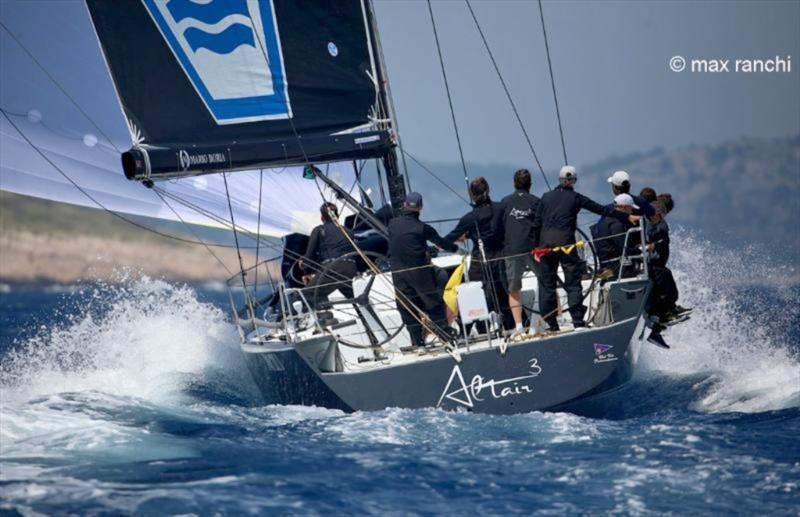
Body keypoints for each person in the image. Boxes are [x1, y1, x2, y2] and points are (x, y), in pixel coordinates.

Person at [533, 166, 637, 331]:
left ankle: (551, 325)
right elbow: (602, 209)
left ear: (559, 179)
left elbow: (536, 223)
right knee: (573, 283)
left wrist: (536, 246)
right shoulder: (576, 198)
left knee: (547, 285)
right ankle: (578, 323)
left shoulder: (545, 197)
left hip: (545, 247)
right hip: (566, 245)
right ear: (574, 181)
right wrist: (626, 216)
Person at [388, 192, 458, 349]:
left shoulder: (392, 224)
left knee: (406, 306)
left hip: (398, 274)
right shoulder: (422, 228)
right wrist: (456, 249)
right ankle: (446, 336)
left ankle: (417, 343)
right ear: (420, 208)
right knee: (433, 303)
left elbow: (401, 243)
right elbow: (442, 243)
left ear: (404, 205)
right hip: (420, 272)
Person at [444, 177, 511, 330]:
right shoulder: (501, 208)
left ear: (472, 196)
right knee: (503, 292)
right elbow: (494, 228)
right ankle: (510, 325)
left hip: (480, 260)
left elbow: (448, 240)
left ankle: (467, 330)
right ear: (489, 190)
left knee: (471, 292)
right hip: (502, 257)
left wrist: (463, 238)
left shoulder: (470, 217)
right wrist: (470, 234)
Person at [494, 168, 541, 340]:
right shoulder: (536, 202)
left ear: (514, 184)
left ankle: (519, 327)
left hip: (512, 249)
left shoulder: (505, 202)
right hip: (534, 248)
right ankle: (549, 319)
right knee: (546, 281)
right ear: (530, 185)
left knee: (514, 288)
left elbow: (497, 228)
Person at [300, 203, 357, 307]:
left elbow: (308, 257)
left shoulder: (319, 230)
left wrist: (303, 266)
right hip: (351, 269)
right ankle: (368, 319)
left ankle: (326, 315)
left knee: (305, 295)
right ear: (338, 215)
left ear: (322, 218)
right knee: (356, 300)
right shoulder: (349, 232)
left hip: (333, 269)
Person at [591, 194, 640, 279]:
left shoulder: (603, 221)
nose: (632, 211)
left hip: (606, 266)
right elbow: (625, 249)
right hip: (617, 269)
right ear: (624, 207)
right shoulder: (616, 225)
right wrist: (642, 249)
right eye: (631, 208)